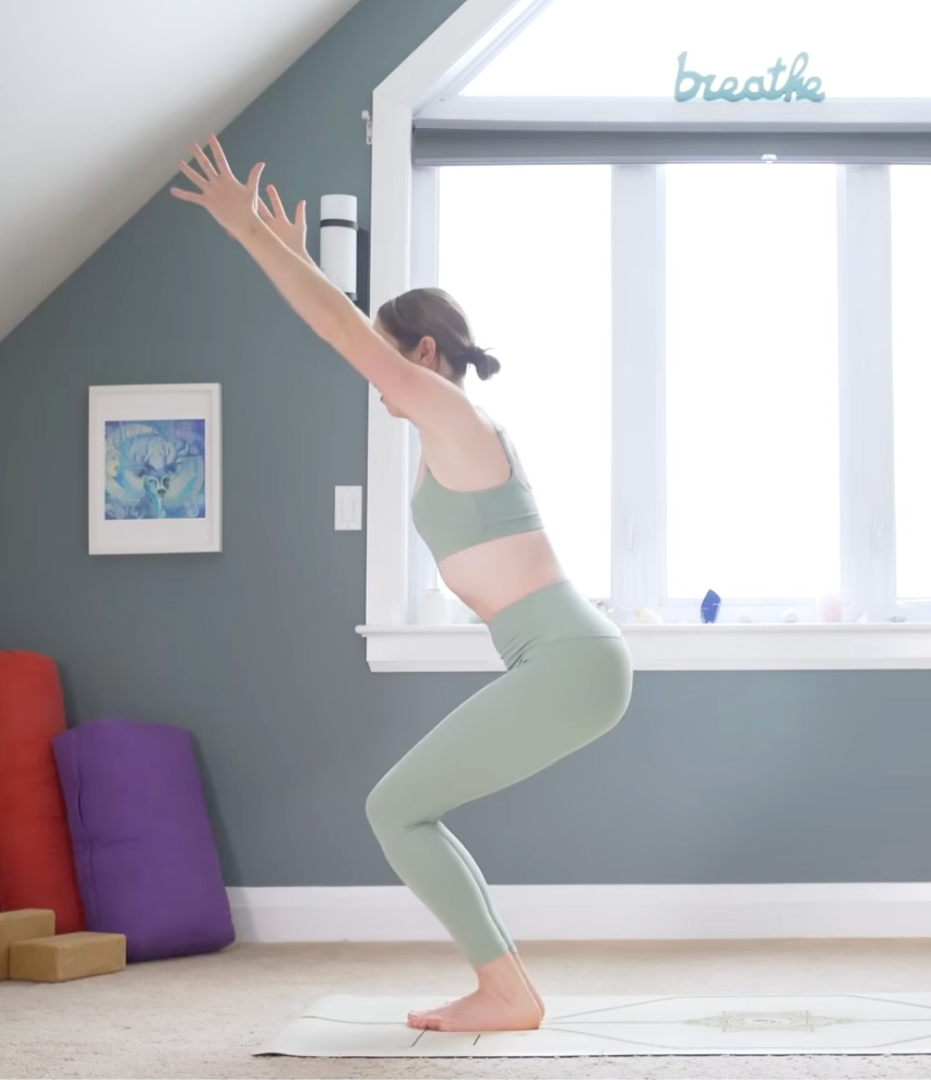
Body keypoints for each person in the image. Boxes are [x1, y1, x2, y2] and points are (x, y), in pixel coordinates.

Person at [172, 137, 632, 1032]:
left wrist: (254, 240)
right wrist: (291, 252)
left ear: (423, 353)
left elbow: (341, 334)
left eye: (390, 357)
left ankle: (506, 992)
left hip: (567, 659)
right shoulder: (446, 431)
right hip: (558, 656)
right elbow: (347, 330)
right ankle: (504, 987)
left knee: (396, 808)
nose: (375, 378)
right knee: (405, 808)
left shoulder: (453, 412)